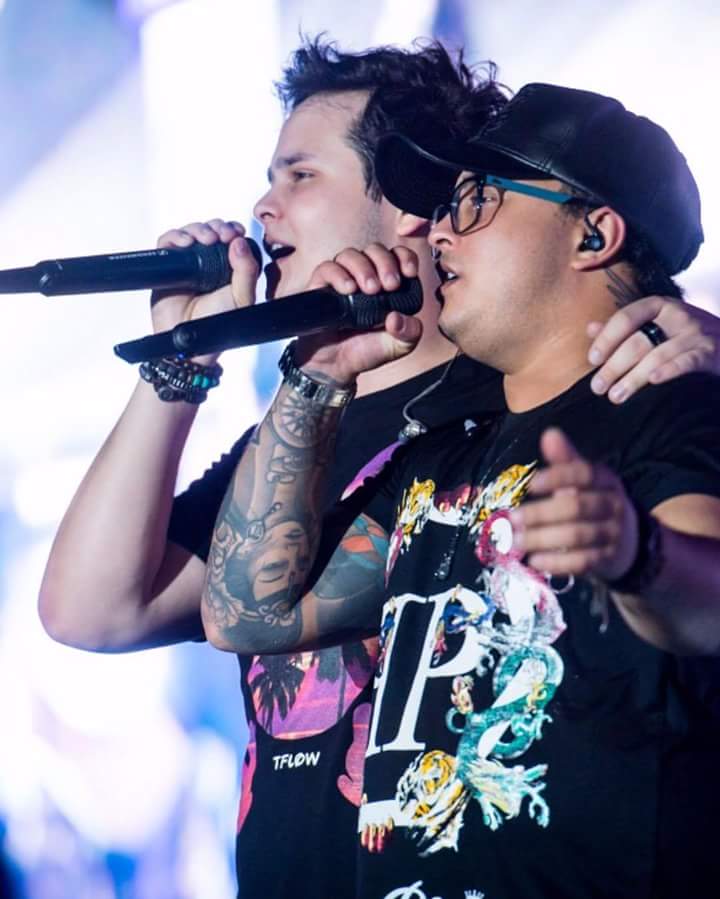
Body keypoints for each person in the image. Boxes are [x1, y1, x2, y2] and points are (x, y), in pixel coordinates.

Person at [40, 39, 720, 897]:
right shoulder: (393, 444)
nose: (263, 206)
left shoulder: (602, 398)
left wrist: (637, 553)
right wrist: (220, 362)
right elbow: (151, 610)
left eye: (300, 175)